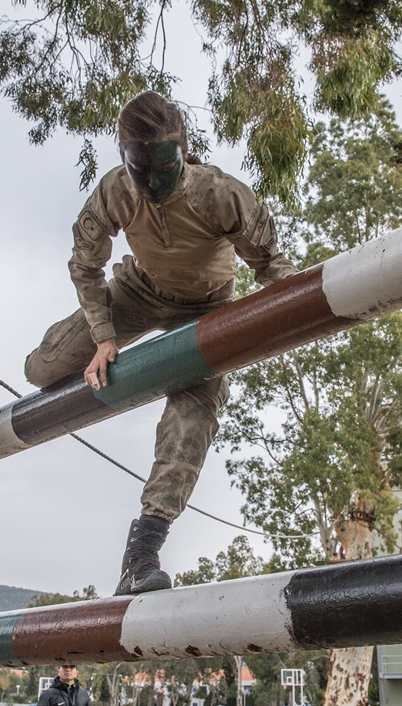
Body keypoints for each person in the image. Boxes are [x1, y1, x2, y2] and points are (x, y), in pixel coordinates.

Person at [25, 90, 298, 596]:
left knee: (193, 414)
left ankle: (142, 550)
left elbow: (272, 267)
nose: (151, 182)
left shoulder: (220, 194)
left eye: (164, 167)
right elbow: (85, 264)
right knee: (40, 370)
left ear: (185, 153)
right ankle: (66, 356)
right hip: (137, 292)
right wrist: (104, 337)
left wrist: (309, 302)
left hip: (205, 308)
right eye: (138, 169)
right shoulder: (113, 193)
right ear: (124, 160)